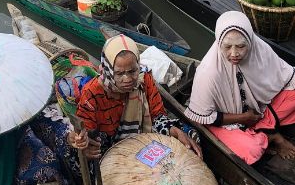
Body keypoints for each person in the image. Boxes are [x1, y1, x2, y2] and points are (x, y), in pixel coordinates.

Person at [183, 12, 295, 164]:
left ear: (250, 41)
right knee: (250, 150)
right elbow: (202, 117)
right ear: (219, 42)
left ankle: (262, 130)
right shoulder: (207, 72)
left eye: (240, 46)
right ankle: (271, 136)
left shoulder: (259, 49)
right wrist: (242, 118)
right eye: (227, 47)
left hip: (256, 112)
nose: (234, 53)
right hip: (227, 123)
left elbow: (289, 75)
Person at [68, 35, 202, 163]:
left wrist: (173, 130)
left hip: (140, 133)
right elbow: (86, 133)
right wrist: (83, 144)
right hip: (107, 144)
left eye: (132, 71)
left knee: (189, 133)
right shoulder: (92, 93)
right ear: (108, 70)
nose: (127, 79)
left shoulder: (143, 79)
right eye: (119, 73)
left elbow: (156, 115)